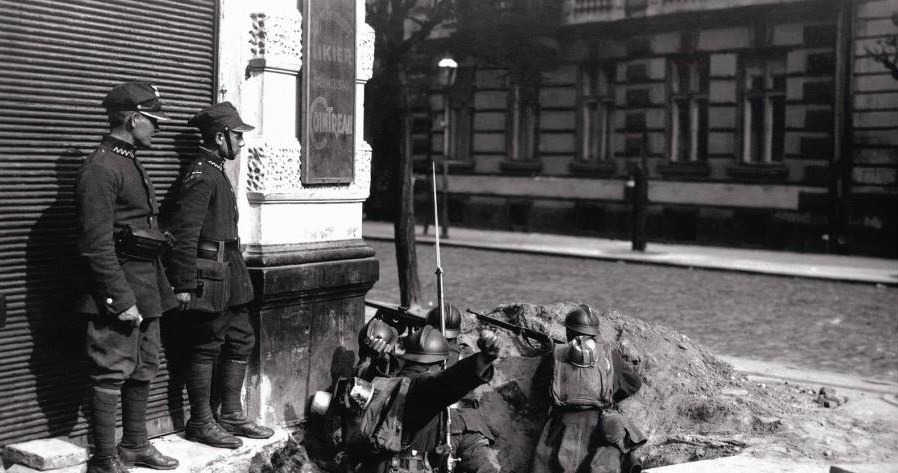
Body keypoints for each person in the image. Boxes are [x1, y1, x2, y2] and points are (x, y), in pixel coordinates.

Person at [75, 81, 180, 473]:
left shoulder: (128, 160)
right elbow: (96, 246)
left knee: (145, 363)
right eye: (154, 121)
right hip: (117, 290)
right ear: (134, 119)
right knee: (111, 367)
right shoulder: (100, 169)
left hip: (145, 286)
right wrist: (120, 299)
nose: (158, 128)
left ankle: (134, 444)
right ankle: (104, 459)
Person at [165, 102, 274, 449]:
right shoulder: (201, 174)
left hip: (230, 274)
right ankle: (200, 421)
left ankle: (231, 413)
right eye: (238, 136)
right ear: (219, 136)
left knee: (242, 338)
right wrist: (183, 283)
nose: (241, 143)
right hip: (209, 277)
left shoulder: (215, 170)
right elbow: (185, 232)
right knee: (204, 345)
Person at [359, 325, 501, 473]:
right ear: (442, 363)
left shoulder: (385, 384)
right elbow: (446, 383)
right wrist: (480, 362)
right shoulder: (421, 388)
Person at [530, 305, 646, 473]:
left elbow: (538, 388)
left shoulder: (555, 355)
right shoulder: (610, 355)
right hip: (599, 427)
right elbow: (634, 383)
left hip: (561, 427)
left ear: (569, 332)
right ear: (595, 333)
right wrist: (610, 396)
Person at [424, 304, 501, 473]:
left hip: (441, 427)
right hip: (471, 427)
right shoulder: (468, 354)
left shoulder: (425, 356)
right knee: (489, 468)